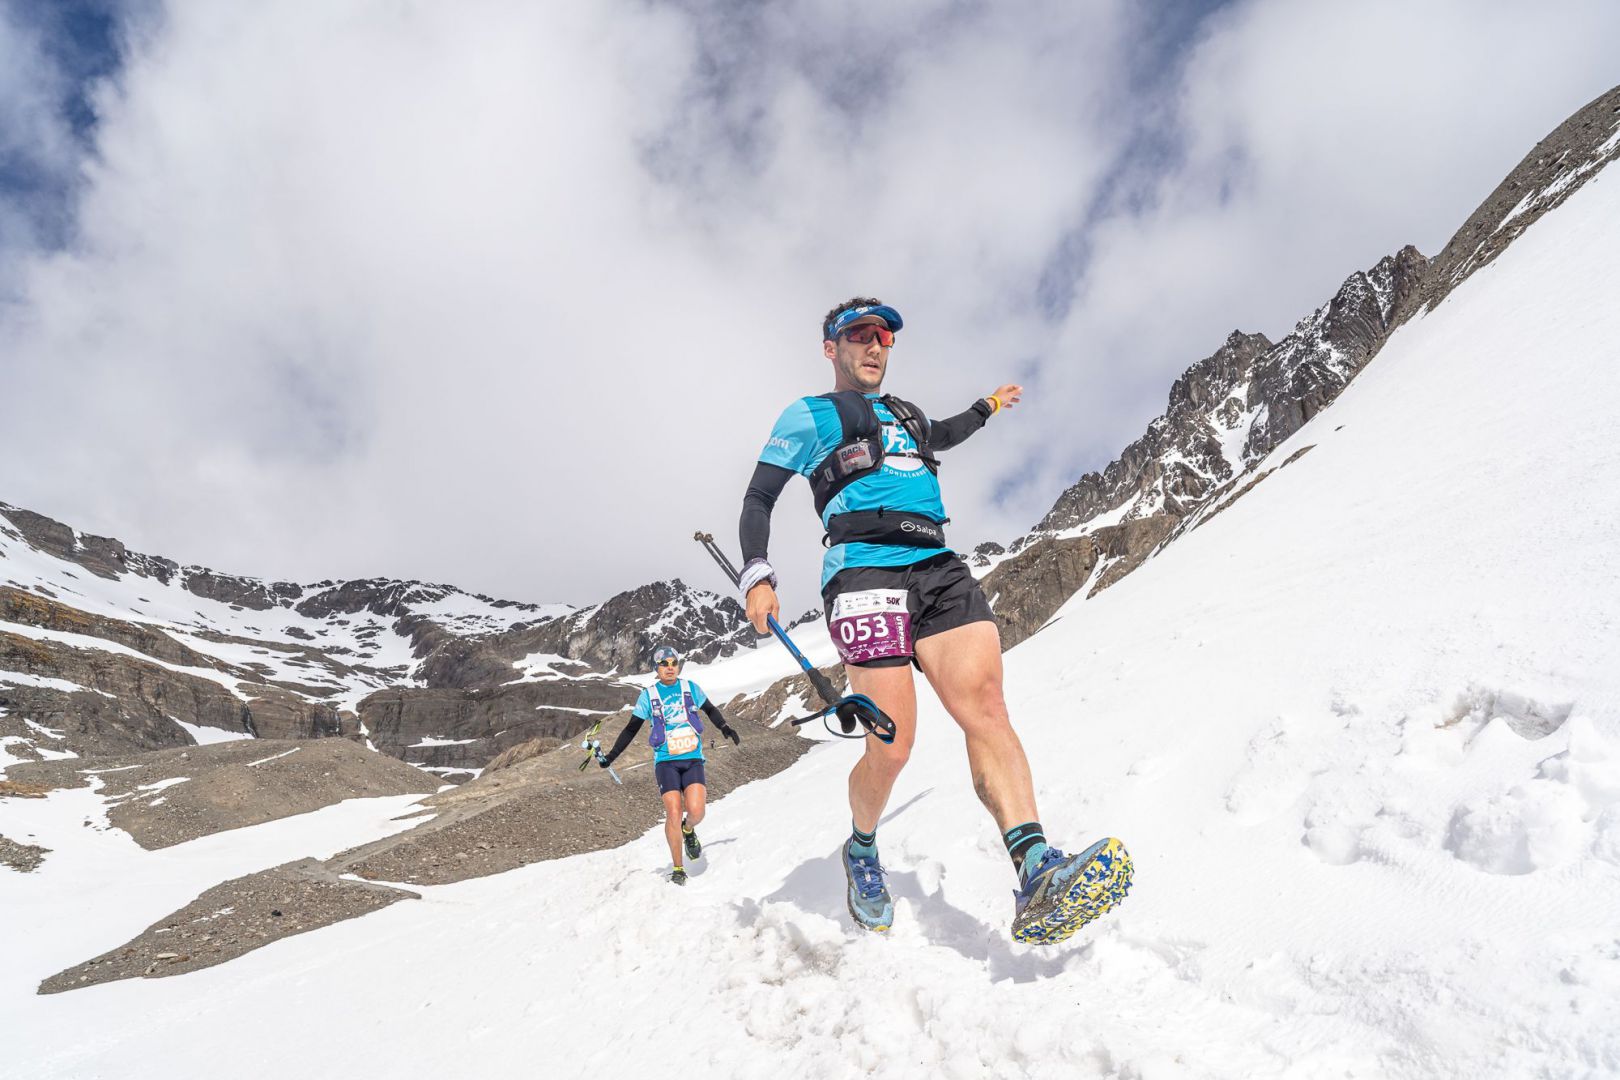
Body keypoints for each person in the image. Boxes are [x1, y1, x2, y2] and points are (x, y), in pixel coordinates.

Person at [735, 297, 1130, 943]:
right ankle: (862, 846)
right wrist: (757, 573)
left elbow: (947, 431)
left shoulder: (909, 415)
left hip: (937, 566)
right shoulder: (809, 415)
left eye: (884, 337)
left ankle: (1036, 868)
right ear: (831, 347)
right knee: (892, 745)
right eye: (859, 335)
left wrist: (991, 404)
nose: (874, 346)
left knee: (986, 706)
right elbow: (759, 496)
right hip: (863, 572)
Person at [600, 644, 741, 885]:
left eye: (673, 663)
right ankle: (678, 868)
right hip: (666, 762)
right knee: (673, 812)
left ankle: (688, 830)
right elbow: (631, 729)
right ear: (656, 668)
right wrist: (611, 756)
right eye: (664, 664)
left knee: (697, 811)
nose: (669, 668)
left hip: (693, 759)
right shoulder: (648, 695)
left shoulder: (690, 688)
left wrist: (725, 727)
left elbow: (710, 709)